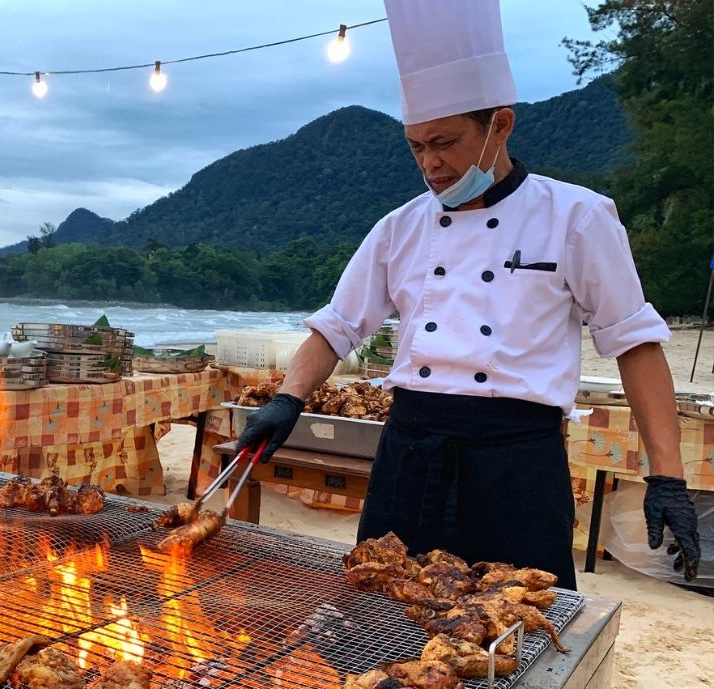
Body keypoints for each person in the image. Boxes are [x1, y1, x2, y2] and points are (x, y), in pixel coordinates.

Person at [236, 0, 699, 590]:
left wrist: (667, 476)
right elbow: (337, 326)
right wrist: (288, 399)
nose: (430, 164)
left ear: (500, 124)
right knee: (378, 616)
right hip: (409, 454)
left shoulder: (578, 217)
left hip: (517, 464)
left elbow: (633, 342)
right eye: (416, 146)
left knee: (521, 637)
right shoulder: (399, 227)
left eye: (446, 142)